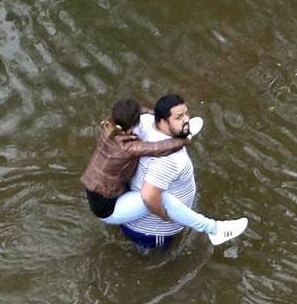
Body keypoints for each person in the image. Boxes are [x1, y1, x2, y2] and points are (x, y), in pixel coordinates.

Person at [118, 93, 248, 251]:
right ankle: (215, 231)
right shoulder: (168, 159)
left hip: (131, 218)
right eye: (179, 117)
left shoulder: (145, 123)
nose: (186, 119)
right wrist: (164, 216)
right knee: (158, 262)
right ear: (163, 121)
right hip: (153, 233)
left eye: (186, 113)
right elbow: (149, 196)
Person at [81, 97, 197, 223]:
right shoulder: (126, 146)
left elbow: (142, 111)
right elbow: (156, 148)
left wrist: (160, 116)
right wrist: (184, 140)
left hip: (95, 186)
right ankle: (209, 226)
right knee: (158, 197)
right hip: (105, 204)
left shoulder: (110, 122)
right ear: (135, 124)